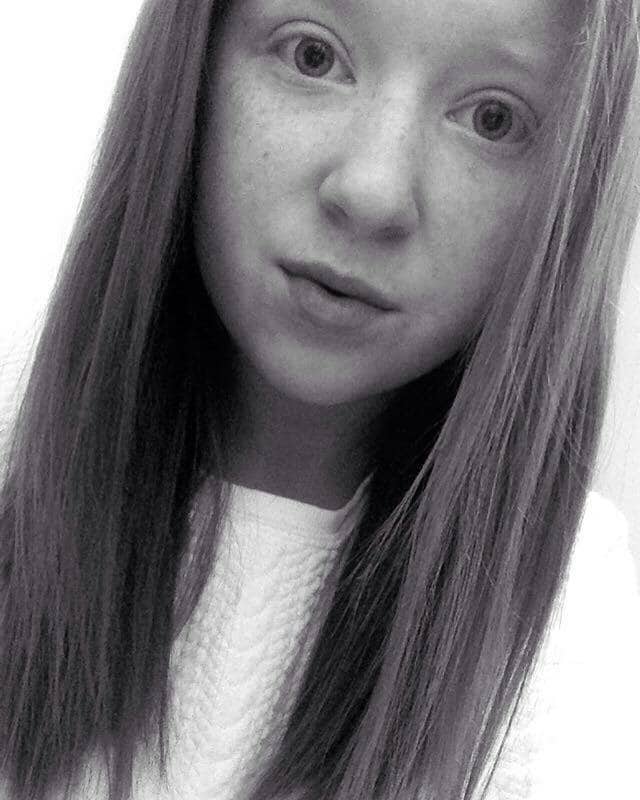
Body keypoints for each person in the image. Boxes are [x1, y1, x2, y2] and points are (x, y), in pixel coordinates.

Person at [1, 0, 639, 798]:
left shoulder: (577, 649)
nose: (372, 192)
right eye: (312, 56)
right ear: (193, 68)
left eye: (493, 119)